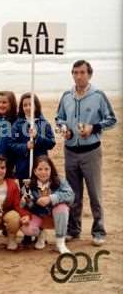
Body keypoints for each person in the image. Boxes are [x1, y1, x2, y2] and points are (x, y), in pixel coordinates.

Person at [55, 60, 117, 246]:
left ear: (89, 74)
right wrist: (63, 128)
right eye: (75, 72)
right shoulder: (66, 95)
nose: (78, 75)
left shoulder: (98, 95)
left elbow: (112, 119)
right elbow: (59, 118)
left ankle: (98, 231)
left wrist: (93, 127)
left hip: (91, 151)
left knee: (95, 193)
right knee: (73, 193)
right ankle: (74, 230)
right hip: (70, 151)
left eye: (82, 72)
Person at [20, 156, 74, 254]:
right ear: (35, 171)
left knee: (62, 207)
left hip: (55, 216)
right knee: (27, 229)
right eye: (40, 169)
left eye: (46, 169)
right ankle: (40, 234)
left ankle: (60, 243)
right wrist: (26, 200)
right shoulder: (28, 185)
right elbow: (25, 205)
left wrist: (51, 198)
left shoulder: (59, 181)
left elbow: (70, 195)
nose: (43, 172)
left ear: (51, 170)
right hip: (39, 215)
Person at [9, 92, 55, 185]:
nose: (28, 107)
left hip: (41, 166)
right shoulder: (17, 125)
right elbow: (11, 144)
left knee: (40, 192)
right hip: (23, 167)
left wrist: (37, 137)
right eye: (25, 105)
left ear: (36, 106)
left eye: (31, 104)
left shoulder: (44, 123)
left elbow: (51, 143)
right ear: (21, 107)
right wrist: (25, 146)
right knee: (25, 194)